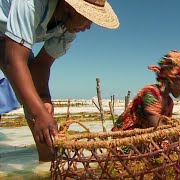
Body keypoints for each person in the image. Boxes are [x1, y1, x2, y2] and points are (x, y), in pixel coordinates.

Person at [0, 0, 119, 161]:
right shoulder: (30, 3)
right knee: (34, 109)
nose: (89, 26)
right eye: (88, 17)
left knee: (38, 105)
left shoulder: (70, 28)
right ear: (69, 6)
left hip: (5, 38)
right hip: (8, 43)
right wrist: (39, 112)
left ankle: (47, 164)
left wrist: (44, 100)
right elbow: (14, 61)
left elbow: (41, 65)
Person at [112, 50, 180, 154]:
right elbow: (158, 127)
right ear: (172, 78)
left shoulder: (169, 102)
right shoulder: (150, 93)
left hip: (146, 141)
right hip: (126, 142)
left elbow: (167, 129)